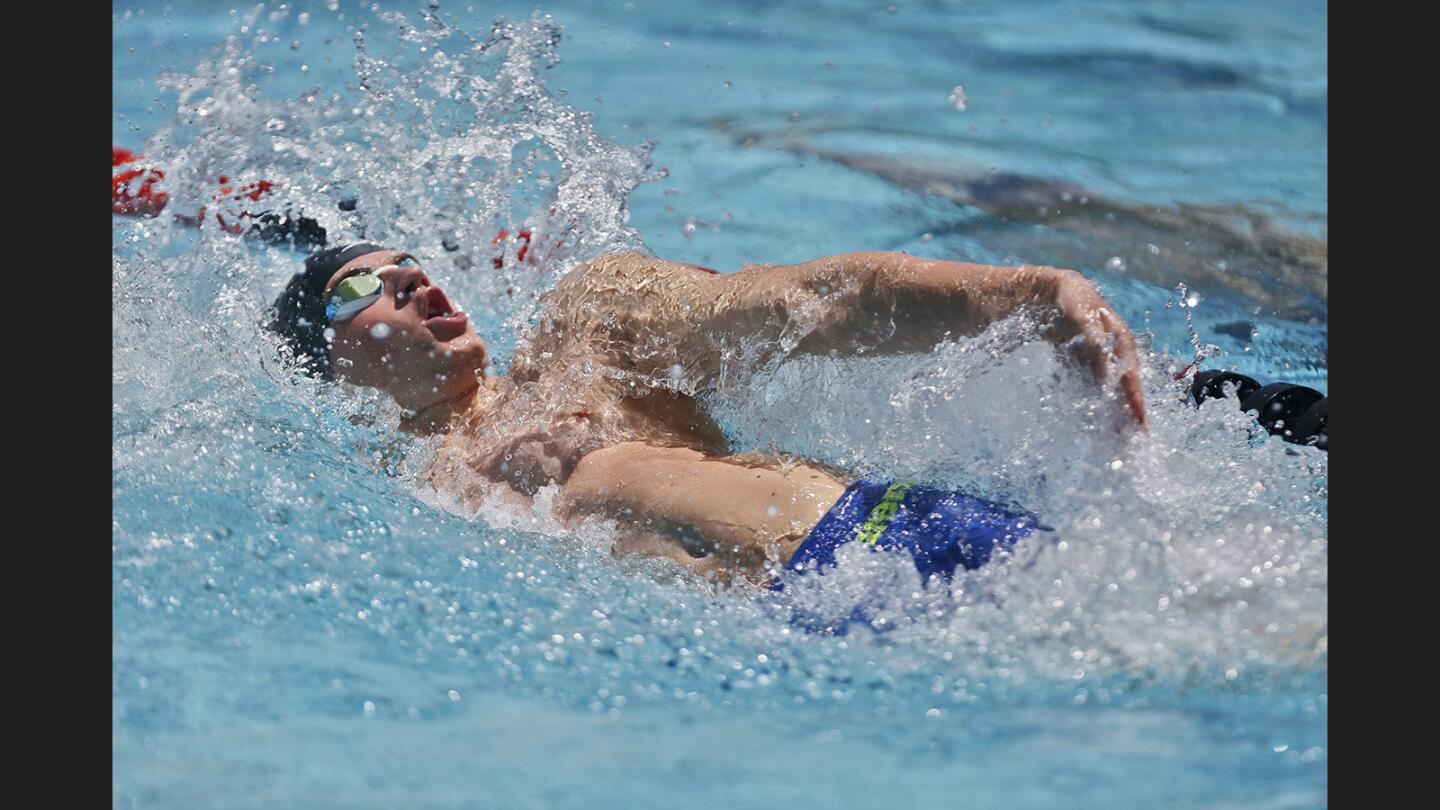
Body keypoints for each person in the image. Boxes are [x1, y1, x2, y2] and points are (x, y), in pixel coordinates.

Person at [265, 242, 1146, 587]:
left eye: (408, 261)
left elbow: (811, 301)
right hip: (809, 637)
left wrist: (1026, 296)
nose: (409, 279)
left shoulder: (591, 331)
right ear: (326, 373)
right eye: (359, 288)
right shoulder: (395, 494)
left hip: (884, 540)